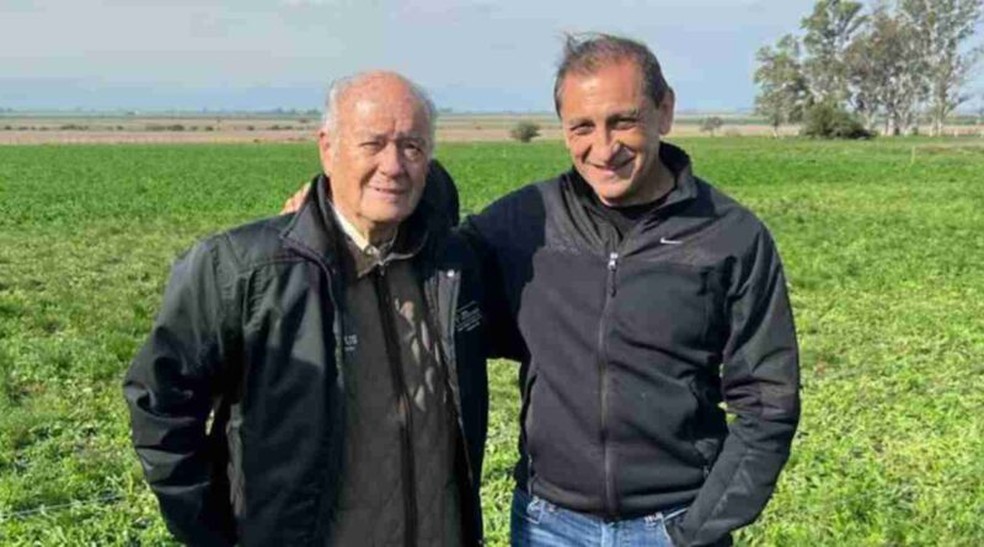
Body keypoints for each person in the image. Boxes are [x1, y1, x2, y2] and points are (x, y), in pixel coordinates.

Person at [460, 33, 801, 546]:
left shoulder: (729, 236)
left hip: (671, 524)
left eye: (623, 120)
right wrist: (318, 224)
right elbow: (427, 261)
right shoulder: (524, 221)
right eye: (582, 127)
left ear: (664, 112)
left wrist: (696, 530)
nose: (604, 147)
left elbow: (768, 401)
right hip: (548, 525)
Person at [124, 71, 489, 546]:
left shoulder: (448, 265)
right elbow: (160, 403)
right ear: (327, 148)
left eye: (412, 147)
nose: (393, 165)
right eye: (372, 143)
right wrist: (213, 534)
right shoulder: (244, 268)